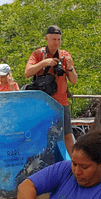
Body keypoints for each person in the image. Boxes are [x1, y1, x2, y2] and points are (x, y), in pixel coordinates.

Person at [25, 25, 77, 157]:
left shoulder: (64, 55)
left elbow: (74, 81)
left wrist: (69, 68)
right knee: (41, 136)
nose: (57, 42)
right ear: (46, 39)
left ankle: (75, 165)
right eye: (54, 39)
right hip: (42, 103)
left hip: (61, 103)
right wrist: (44, 63)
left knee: (67, 136)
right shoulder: (38, 54)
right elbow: (27, 73)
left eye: (59, 39)